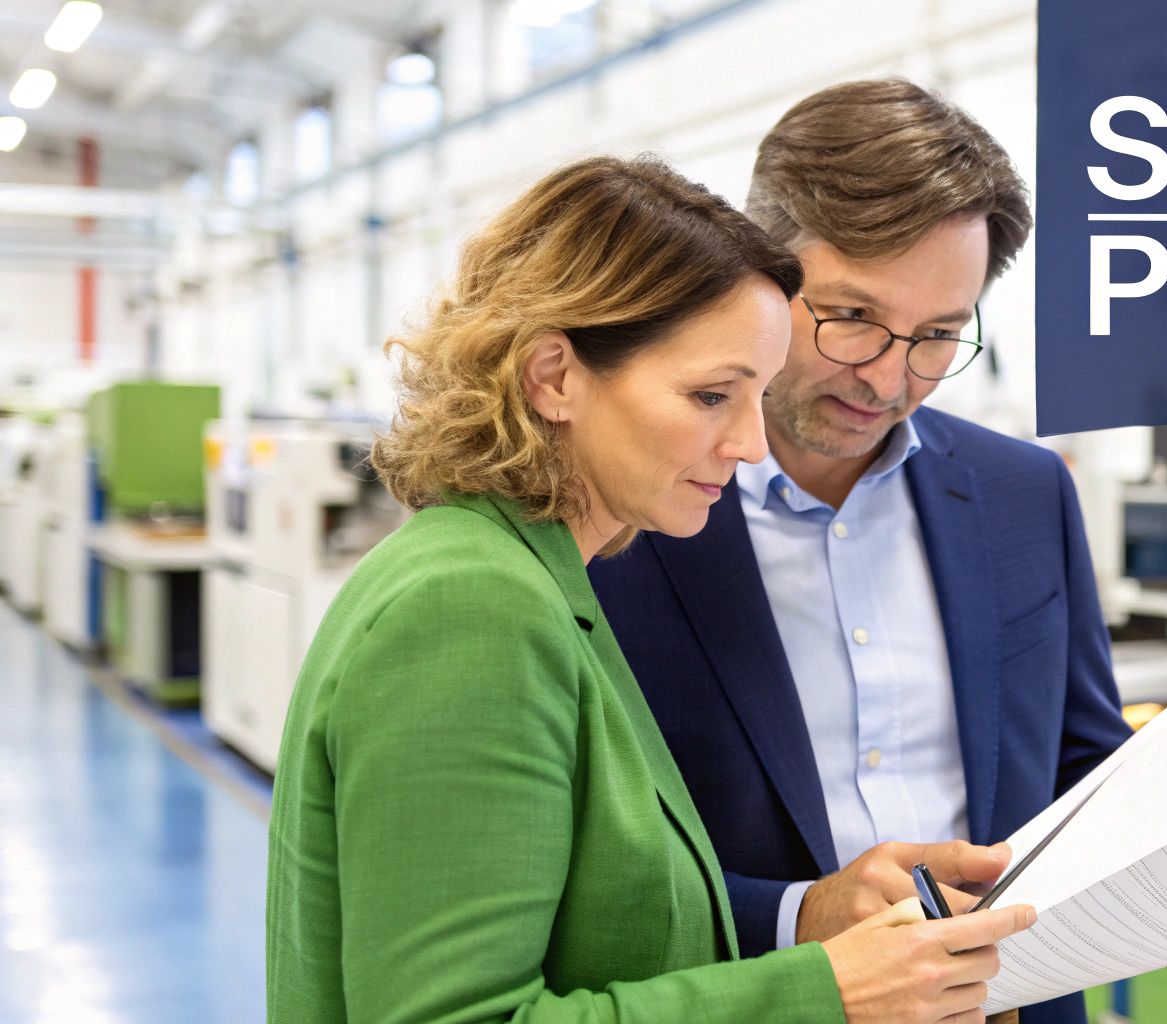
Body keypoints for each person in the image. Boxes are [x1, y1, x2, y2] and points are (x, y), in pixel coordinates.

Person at [591, 82, 1167, 1024]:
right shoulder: (621, 516)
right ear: (760, 275)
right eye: (853, 317)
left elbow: (1085, 770)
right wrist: (799, 922)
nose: (889, 376)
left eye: (940, 334)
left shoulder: (1022, 494)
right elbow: (591, 875)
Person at [265, 154, 1033, 1024]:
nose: (748, 445)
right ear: (553, 378)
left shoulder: (544, 581)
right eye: (712, 396)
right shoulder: (472, 608)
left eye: (758, 397)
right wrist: (830, 992)